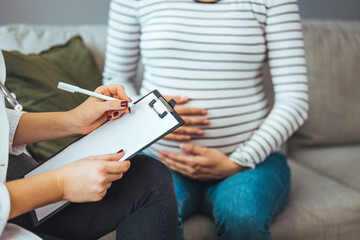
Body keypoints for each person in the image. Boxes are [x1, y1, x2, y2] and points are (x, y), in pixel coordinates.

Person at [102, 0, 309, 239]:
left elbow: (295, 101)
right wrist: (148, 115)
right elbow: (115, 79)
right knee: (144, 223)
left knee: (244, 218)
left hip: (251, 163)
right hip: (159, 158)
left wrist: (240, 161)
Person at [0, 51, 178, 240]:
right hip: (11, 206)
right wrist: (61, 184)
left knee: (148, 177)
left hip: (18, 184)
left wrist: (74, 120)